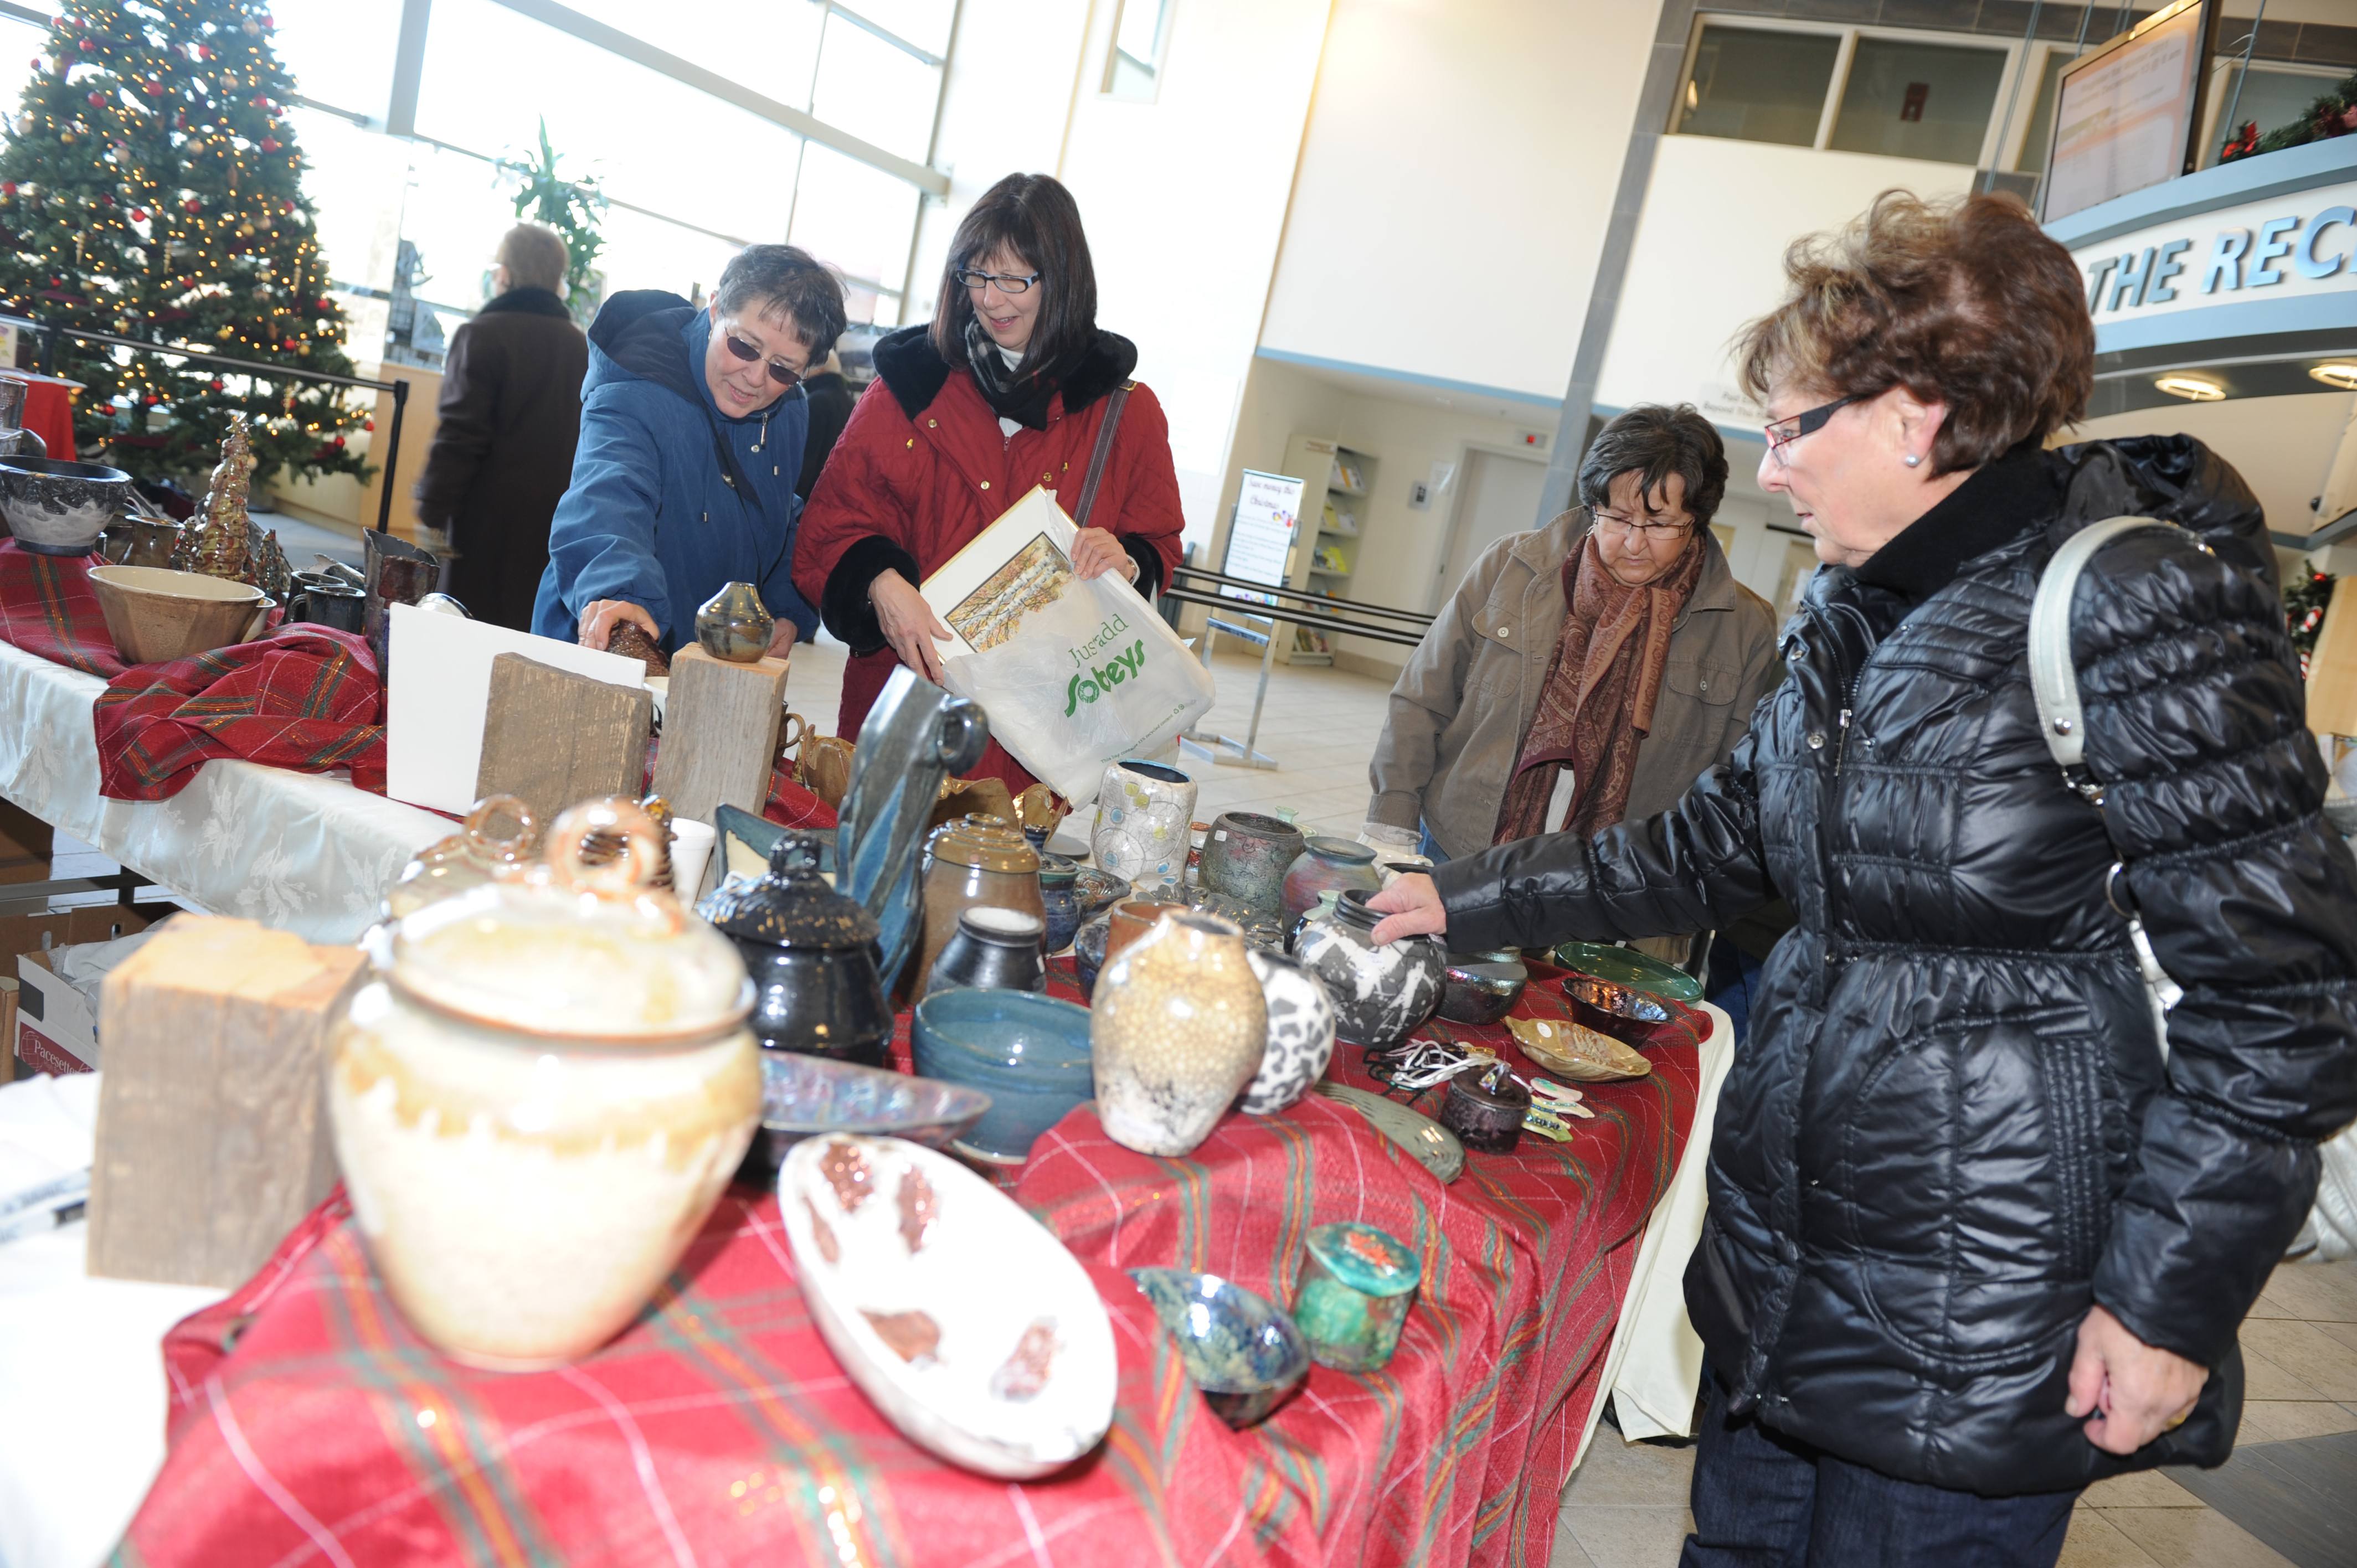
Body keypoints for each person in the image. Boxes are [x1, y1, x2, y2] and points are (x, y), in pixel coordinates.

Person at [1368, 191, 2357, 1565]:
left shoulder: (2124, 599)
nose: (1767, 471)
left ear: (1918, 413)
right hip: (1787, 1279)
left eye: (1789, 428)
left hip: (1986, 1312)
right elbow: (1709, 842)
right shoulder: (1852, 608)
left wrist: (2168, 1303)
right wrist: (1468, 895)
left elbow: (2286, 992)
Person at [793, 172, 1185, 792]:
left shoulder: (1125, 413)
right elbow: (831, 525)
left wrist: (1129, 560)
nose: (991, 299)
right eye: (975, 276)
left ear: (1061, 281)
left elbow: (1157, 541)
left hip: (1041, 736)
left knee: (1010, 882)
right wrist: (880, 583)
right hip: (906, 709)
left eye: (1013, 279)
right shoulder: (905, 388)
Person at [1363, 404, 1779, 877]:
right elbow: (1422, 699)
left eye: (1661, 525)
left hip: (1618, 884)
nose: (1634, 542)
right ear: (1592, 505)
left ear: (1698, 520)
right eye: (1617, 517)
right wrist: (1391, 823)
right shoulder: (1510, 567)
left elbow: (1727, 786)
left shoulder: (1744, 626)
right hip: (1461, 846)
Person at [533, 244, 847, 657]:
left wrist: (787, 608)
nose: (754, 377)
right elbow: (605, 498)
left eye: (783, 369)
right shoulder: (632, 390)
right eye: (745, 347)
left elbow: (781, 511)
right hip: (614, 636)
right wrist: (621, 594)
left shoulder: (789, 410)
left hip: (712, 658)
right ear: (716, 309)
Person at [411, 224, 587, 631]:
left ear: (505, 274)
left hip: (487, 517)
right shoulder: (577, 344)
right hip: (553, 518)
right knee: (527, 625)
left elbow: (460, 432)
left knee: (470, 625)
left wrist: (433, 507)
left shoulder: (483, 334)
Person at [795, 349, 856, 501]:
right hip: (835, 492)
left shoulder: (817, 401)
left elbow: (808, 456)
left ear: (819, 368)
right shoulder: (849, 401)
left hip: (811, 493)